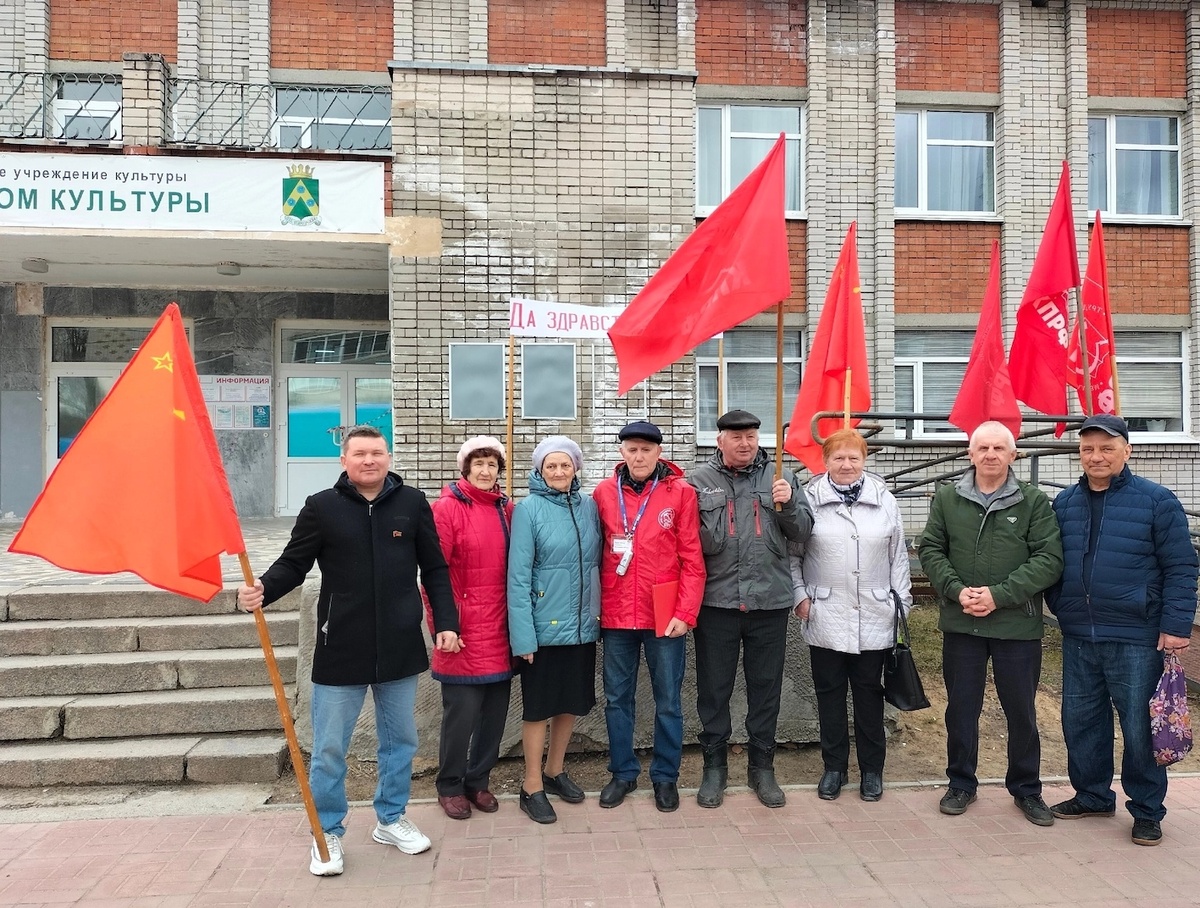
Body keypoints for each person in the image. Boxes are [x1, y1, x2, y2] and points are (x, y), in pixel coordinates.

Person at [237, 425, 460, 877]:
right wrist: (264, 588)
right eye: (359, 453)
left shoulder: (413, 504)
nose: (369, 460)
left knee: (401, 742)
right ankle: (329, 831)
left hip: (399, 644)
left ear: (389, 457)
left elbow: (435, 568)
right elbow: (294, 563)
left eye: (377, 452)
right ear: (344, 460)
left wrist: (447, 624)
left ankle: (391, 818)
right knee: (330, 748)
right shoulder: (322, 507)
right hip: (340, 645)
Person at [1046, 413, 1197, 846]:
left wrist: (1175, 625)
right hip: (1079, 636)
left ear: (1126, 451)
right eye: (1088, 448)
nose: (1096, 456)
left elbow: (1182, 566)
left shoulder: (1156, 501)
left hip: (1137, 636)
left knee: (1138, 727)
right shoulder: (1065, 503)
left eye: (1106, 448)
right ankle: (1092, 795)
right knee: (1081, 721)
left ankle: (1147, 810)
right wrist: (1062, 606)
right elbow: (1054, 563)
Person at [918, 421, 1063, 827]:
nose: (991, 455)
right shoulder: (947, 498)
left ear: (1013, 455)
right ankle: (961, 783)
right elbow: (930, 546)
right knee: (962, 709)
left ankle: (1027, 789)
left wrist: (999, 595)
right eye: (983, 447)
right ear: (970, 453)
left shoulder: (1034, 502)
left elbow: (1049, 559)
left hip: (1017, 626)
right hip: (962, 622)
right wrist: (955, 589)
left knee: (1021, 711)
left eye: (1000, 448)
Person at [687, 408, 813, 808]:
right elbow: (683, 540)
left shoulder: (781, 477)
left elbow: (805, 533)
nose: (745, 443)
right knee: (714, 688)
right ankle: (715, 768)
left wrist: (789, 504)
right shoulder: (697, 481)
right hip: (717, 603)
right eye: (736, 437)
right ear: (719, 440)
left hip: (769, 602)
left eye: (752, 436)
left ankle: (762, 768)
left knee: (765, 688)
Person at [791, 429, 911, 803]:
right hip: (824, 611)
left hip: (875, 613)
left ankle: (872, 771)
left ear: (864, 460)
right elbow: (793, 554)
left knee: (869, 696)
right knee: (828, 695)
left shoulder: (884, 500)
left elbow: (899, 557)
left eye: (853, 458)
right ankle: (834, 768)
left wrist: (900, 605)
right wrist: (800, 597)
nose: (846, 465)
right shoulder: (808, 499)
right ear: (825, 462)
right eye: (838, 458)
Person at [592, 420, 705, 812]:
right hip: (617, 613)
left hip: (665, 613)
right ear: (621, 452)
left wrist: (686, 613)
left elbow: (692, 558)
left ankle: (665, 776)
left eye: (646, 450)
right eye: (631, 449)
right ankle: (622, 772)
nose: (638, 457)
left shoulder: (681, 493)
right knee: (616, 699)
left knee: (669, 700)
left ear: (659, 453)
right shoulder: (604, 493)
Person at [507, 435, 602, 824]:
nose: (559, 472)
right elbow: (517, 577)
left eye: (565, 465)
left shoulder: (589, 507)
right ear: (539, 470)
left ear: (576, 468)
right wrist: (524, 636)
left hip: (581, 626)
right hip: (544, 629)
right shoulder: (528, 510)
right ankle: (531, 785)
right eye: (551, 466)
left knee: (570, 703)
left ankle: (555, 769)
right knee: (539, 708)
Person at [425, 436, 515, 820]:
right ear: (465, 469)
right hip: (461, 630)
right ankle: (449, 785)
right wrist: (442, 625)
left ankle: (478, 781)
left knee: (494, 717)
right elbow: (433, 574)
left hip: (501, 627)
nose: (484, 471)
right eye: (477, 463)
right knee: (460, 716)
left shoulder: (507, 509)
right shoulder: (446, 509)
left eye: (492, 465)